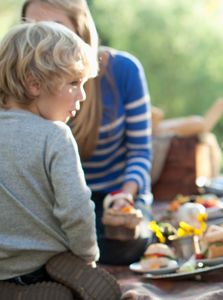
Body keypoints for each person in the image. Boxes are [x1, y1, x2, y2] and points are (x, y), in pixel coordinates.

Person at [22, 0, 153, 264]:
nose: (42, 42)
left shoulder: (123, 71)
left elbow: (140, 151)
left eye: (55, 27)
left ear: (80, 29)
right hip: (59, 203)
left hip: (116, 194)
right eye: (33, 28)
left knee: (126, 244)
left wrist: (124, 197)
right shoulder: (26, 84)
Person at [0, 21, 120, 299]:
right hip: (46, 263)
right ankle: (65, 283)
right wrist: (86, 257)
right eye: (74, 83)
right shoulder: (54, 136)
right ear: (34, 84)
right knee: (84, 287)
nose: (82, 96)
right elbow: (76, 209)